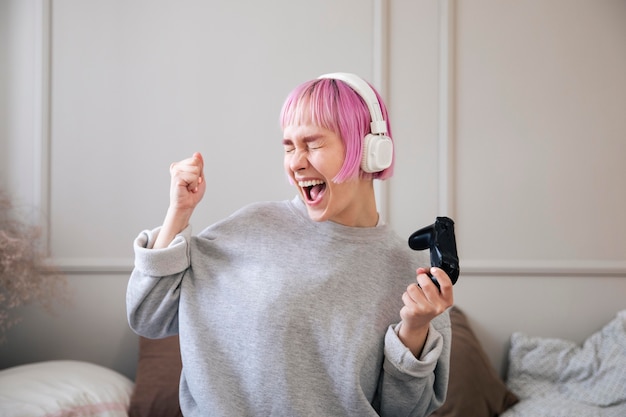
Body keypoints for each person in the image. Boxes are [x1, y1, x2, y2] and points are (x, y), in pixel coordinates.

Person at [126, 72, 454, 417]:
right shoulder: (247, 231)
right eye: (288, 146)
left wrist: (414, 330)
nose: (296, 162)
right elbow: (148, 316)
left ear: (371, 149)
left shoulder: (411, 276)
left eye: (312, 144)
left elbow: (404, 413)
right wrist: (178, 214)